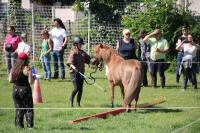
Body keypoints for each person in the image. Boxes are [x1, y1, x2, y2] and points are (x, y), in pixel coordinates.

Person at [8, 52, 35, 129]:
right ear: (26, 59)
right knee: (28, 108)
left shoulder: (14, 67)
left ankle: (19, 126)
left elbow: (10, 80)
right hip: (25, 90)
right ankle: (30, 127)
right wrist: (34, 77)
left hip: (15, 90)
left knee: (18, 108)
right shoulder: (27, 68)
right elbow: (30, 81)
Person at [67, 37, 91, 107]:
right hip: (74, 73)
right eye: (80, 44)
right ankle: (71, 100)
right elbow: (70, 63)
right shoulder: (73, 52)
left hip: (81, 73)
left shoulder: (83, 52)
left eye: (81, 44)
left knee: (80, 89)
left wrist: (94, 62)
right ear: (76, 44)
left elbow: (89, 60)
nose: (81, 45)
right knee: (76, 88)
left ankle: (78, 103)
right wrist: (75, 68)